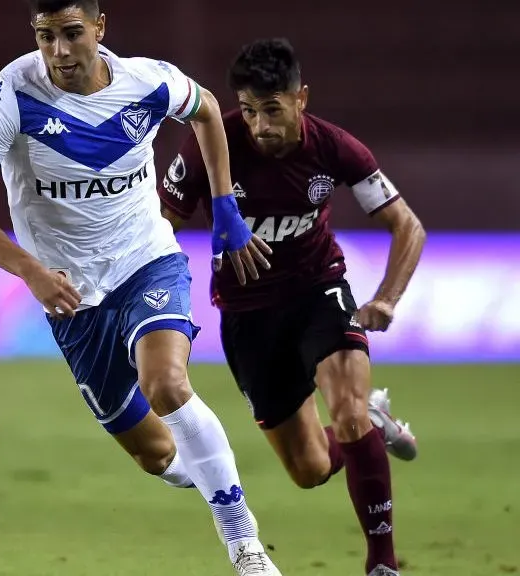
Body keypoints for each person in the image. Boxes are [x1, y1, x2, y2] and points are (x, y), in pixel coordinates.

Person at [0, 1, 280, 574]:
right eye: (46, 36)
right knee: (157, 455)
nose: (58, 52)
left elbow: (206, 113)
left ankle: (242, 540)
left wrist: (224, 203)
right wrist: (29, 270)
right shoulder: (11, 94)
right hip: (71, 296)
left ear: (100, 28)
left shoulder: (147, 81)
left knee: (167, 383)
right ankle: (211, 475)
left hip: (146, 260)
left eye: (72, 34)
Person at [158, 38, 424, 576]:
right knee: (310, 468)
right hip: (247, 316)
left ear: (301, 98)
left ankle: (383, 564)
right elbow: (159, 226)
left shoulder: (334, 149)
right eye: (250, 110)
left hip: (317, 292)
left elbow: (407, 226)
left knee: (345, 413)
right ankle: (375, 418)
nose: (259, 125)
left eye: (272, 110)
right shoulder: (213, 143)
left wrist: (386, 299)